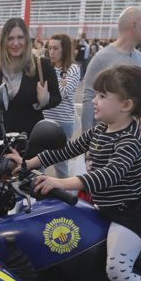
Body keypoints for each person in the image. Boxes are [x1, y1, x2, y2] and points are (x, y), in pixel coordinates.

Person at [9, 66, 141, 281]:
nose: (94, 101)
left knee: (118, 271)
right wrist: (26, 164)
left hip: (132, 214)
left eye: (102, 96)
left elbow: (107, 175)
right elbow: (68, 149)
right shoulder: (102, 129)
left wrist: (60, 183)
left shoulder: (130, 140)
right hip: (107, 209)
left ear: (126, 105)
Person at [0, 17, 62, 170]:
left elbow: (57, 98)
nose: (15, 43)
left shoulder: (42, 65)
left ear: (27, 39)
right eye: (10, 38)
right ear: (3, 42)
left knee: (29, 190)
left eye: (20, 37)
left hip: (28, 145)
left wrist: (45, 100)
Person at [80, 8, 141, 135]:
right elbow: (89, 98)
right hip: (105, 136)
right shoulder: (101, 58)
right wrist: (88, 139)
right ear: (134, 25)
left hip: (132, 137)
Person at [44, 33, 82, 177]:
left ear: (64, 49)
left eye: (55, 48)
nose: (51, 52)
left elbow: (62, 93)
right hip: (44, 119)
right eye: (49, 48)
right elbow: (38, 90)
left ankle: (63, 193)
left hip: (63, 121)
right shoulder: (46, 67)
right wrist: (59, 82)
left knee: (60, 162)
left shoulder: (73, 68)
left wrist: (49, 86)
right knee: (39, 160)